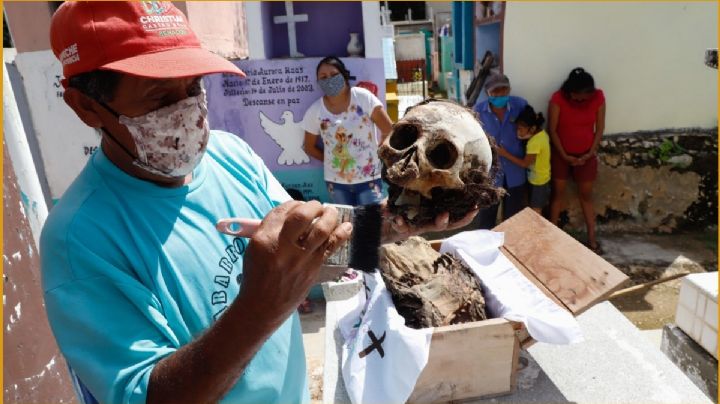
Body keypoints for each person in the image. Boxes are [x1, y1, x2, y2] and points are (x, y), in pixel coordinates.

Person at [40, 4, 477, 404]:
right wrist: (261, 306)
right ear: (86, 106)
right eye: (159, 99)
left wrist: (400, 223)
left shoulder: (230, 155)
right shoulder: (79, 240)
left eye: (193, 86)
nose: (188, 111)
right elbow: (146, 396)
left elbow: (314, 245)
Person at [302, 56, 394, 206]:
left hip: (369, 179)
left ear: (344, 75)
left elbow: (389, 130)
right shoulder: (315, 111)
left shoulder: (362, 98)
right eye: (323, 77)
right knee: (346, 226)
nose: (329, 80)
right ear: (318, 82)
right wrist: (333, 160)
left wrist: (378, 154)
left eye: (333, 75)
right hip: (336, 183)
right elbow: (309, 147)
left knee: (371, 225)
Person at [547, 67, 606, 252]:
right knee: (558, 194)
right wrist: (564, 155)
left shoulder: (598, 98)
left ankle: (592, 238)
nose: (581, 100)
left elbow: (600, 128)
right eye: (577, 96)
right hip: (561, 154)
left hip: (587, 156)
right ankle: (551, 236)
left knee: (586, 196)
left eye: (584, 97)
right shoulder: (557, 99)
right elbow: (552, 129)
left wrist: (590, 153)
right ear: (569, 92)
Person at [473, 73, 529, 228]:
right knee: (486, 219)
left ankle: (510, 249)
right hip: (490, 174)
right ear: (487, 93)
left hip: (515, 172)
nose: (499, 95)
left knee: (514, 219)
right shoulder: (478, 111)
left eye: (503, 90)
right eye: (495, 92)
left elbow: (532, 129)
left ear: (509, 89)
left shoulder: (521, 106)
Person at [497, 105, 551, 215]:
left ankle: (536, 231)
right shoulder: (541, 134)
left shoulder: (535, 143)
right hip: (538, 178)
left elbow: (525, 164)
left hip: (539, 182)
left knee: (536, 209)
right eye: (517, 128)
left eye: (520, 129)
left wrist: (505, 154)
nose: (518, 132)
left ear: (532, 128)